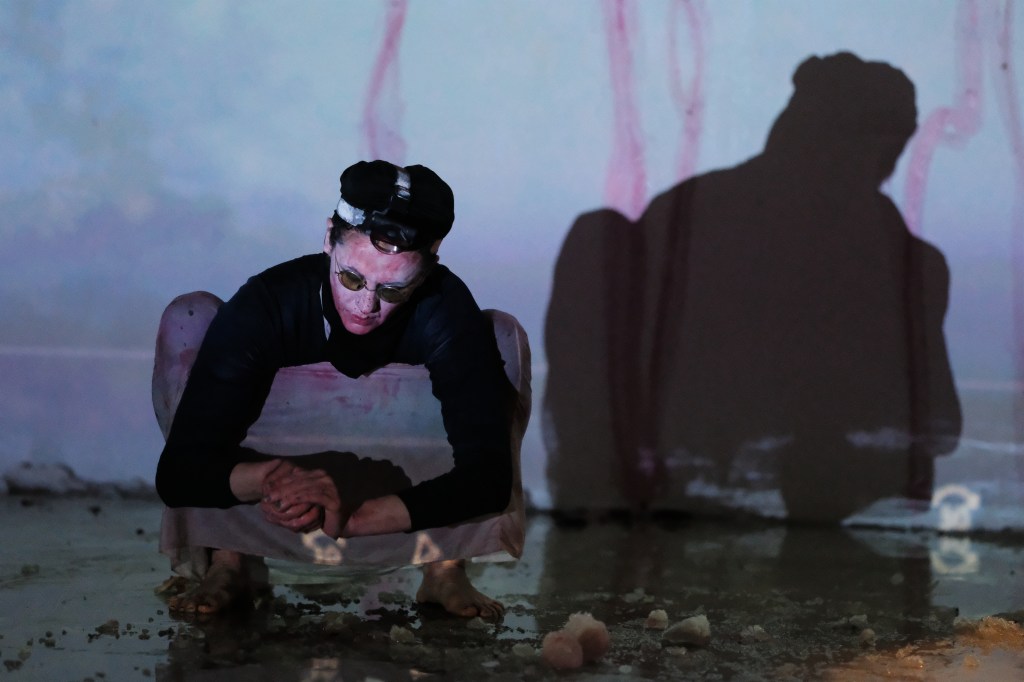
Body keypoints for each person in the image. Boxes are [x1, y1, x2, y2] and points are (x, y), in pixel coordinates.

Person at [154, 160, 527, 617]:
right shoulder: (270, 301)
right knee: (190, 316)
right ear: (329, 237)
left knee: (501, 334)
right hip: (282, 482)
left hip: (384, 485)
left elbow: (488, 478)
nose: (365, 305)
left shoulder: (445, 309)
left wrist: (355, 517)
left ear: (429, 265)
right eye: (351, 278)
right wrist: (272, 479)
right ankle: (227, 559)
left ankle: (444, 567)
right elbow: (177, 474)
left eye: (393, 290)